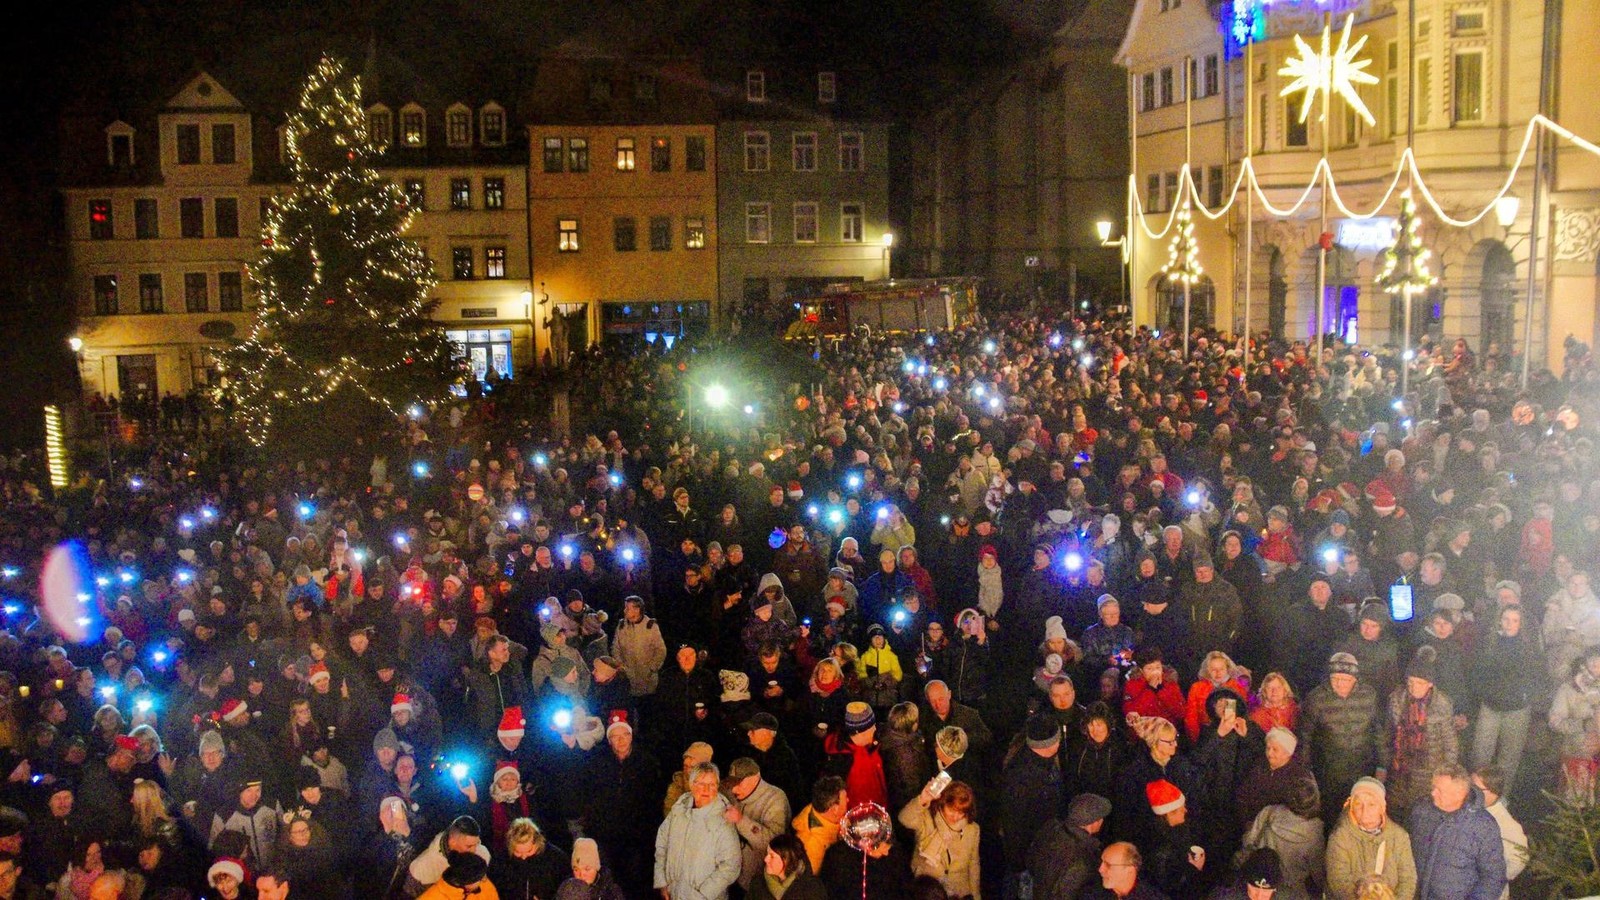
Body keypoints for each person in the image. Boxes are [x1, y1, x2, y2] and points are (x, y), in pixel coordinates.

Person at [1299, 653, 1386, 826]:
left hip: (1362, 768)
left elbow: (1379, 733)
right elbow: (1305, 737)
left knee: (1359, 814)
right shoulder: (1316, 698)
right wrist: (1306, 771)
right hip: (1328, 772)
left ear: (1355, 678)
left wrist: (1382, 766)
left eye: (1345, 679)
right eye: (1335, 678)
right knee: (1331, 817)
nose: (1339, 683)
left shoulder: (1369, 695)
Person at [1405, 764, 1505, 900]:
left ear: (1459, 794)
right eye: (1433, 787)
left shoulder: (1484, 827)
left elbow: (1493, 877)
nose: (1433, 793)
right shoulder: (1421, 810)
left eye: (1439, 790)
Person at [653, 761, 741, 900]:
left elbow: (731, 865)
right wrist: (662, 882)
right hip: (673, 894)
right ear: (691, 784)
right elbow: (662, 843)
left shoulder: (723, 819)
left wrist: (703, 893)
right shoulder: (679, 808)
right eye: (701, 784)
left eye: (712, 784)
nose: (706, 790)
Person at [1324, 779, 1417, 900]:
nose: (1364, 810)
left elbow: (1407, 879)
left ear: (1382, 807)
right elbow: (1339, 881)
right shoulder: (1340, 837)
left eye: (1371, 804)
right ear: (1351, 807)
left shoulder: (1399, 837)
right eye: (1358, 804)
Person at [897, 780, 979, 899]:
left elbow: (973, 865)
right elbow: (904, 819)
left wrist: (976, 895)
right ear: (943, 802)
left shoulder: (973, 829)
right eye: (951, 809)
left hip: (958, 891)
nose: (955, 816)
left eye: (961, 812)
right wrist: (923, 799)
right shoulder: (927, 818)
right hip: (930, 890)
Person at [724, 758, 791, 893]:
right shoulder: (733, 793)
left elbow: (775, 844)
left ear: (754, 778)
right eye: (731, 783)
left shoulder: (776, 799)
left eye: (738, 783)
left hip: (759, 882)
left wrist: (741, 820)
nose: (733, 788)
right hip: (735, 876)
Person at [1028, 793, 1110, 900]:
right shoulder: (1084, 856)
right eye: (1100, 818)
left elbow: (1030, 861)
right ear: (1093, 822)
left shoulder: (1051, 829)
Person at [1469, 767, 1525, 900]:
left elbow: (1518, 859)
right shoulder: (1469, 810)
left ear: (1492, 792)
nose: (1470, 791)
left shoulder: (1507, 826)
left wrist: (1492, 879)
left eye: (1476, 788)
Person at [488, 818, 566, 900]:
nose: (524, 857)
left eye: (529, 851)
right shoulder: (500, 860)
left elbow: (565, 889)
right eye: (517, 852)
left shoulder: (556, 858)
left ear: (538, 842)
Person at [792, 776, 847, 878]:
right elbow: (813, 880)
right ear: (834, 809)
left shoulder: (823, 813)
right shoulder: (812, 846)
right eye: (845, 798)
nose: (848, 800)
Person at [746, 834, 825, 900]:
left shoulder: (812, 889)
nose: (766, 859)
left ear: (787, 860)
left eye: (772, 856)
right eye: (767, 854)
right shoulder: (757, 884)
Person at [1081, 841, 1168, 900]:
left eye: (1108, 865)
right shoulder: (1091, 894)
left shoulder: (1153, 897)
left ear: (1129, 870)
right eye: (1101, 862)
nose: (1100, 869)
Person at [553, 839, 624, 900]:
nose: (581, 875)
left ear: (596, 868)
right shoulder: (566, 890)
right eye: (576, 870)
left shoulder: (611, 892)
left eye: (587, 869)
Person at [419, 852, 499, 900]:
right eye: (481, 878)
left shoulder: (483, 886)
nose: (484, 879)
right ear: (468, 882)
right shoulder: (432, 897)